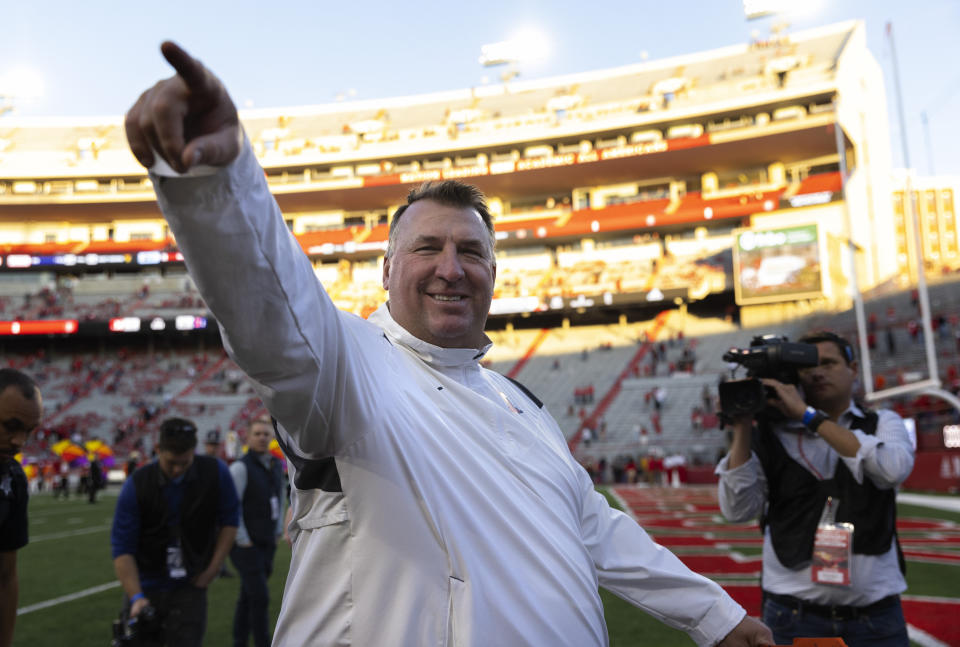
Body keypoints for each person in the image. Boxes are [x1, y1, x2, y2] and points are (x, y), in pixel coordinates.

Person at [124, 42, 772, 647]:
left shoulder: (521, 400)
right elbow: (272, 317)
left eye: (471, 252)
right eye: (428, 248)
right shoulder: (353, 364)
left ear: (495, 274)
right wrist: (220, 185)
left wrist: (717, 614)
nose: (450, 268)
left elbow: (594, 527)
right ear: (386, 269)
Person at [716, 331, 915, 647]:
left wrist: (808, 417)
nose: (818, 372)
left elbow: (892, 469)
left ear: (853, 368)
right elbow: (736, 510)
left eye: (829, 362)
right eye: (808, 367)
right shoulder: (769, 435)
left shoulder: (883, 422)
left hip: (875, 615)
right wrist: (742, 426)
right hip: (793, 614)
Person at [110, 417, 239, 647]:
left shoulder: (215, 472)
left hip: (191, 583)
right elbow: (122, 548)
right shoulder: (137, 483)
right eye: (171, 463)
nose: (178, 469)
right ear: (158, 449)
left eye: (184, 462)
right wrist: (136, 597)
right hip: (146, 583)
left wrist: (212, 569)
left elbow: (229, 522)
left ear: (194, 451)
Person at [229, 417, 285, 647]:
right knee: (260, 598)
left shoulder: (274, 465)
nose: (262, 438)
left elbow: (281, 498)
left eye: (266, 434)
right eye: (257, 434)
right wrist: (243, 540)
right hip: (246, 545)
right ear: (248, 438)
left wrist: (278, 528)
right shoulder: (240, 467)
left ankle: (239, 641)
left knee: (248, 597)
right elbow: (232, 506)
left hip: (266, 541)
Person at [0, 369, 43, 647]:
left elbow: (5, 577)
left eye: (27, 432)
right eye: (9, 426)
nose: (19, 442)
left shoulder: (12, 479)